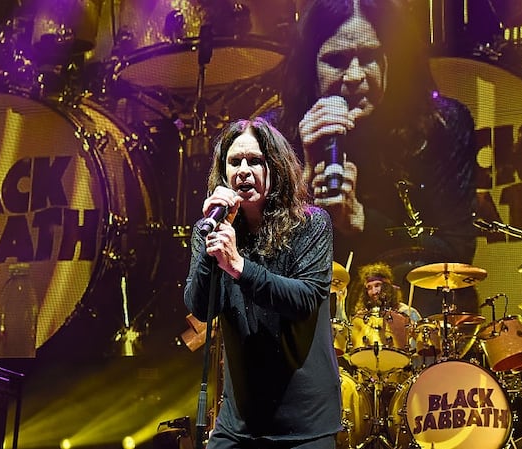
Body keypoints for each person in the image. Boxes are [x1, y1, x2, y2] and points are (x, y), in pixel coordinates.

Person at [275, 0, 480, 316]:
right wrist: (302, 189)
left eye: (369, 57)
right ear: (310, 70)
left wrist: (361, 220)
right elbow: (253, 263)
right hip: (313, 321)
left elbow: (457, 251)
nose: (355, 76)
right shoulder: (277, 135)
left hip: (415, 319)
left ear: (391, 61)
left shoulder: (442, 126)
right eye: (336, 60)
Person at [184, 117, 341, 449]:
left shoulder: (311, 224)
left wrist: (239, 266)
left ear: (277, 168)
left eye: (255, 161)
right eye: (234, 161)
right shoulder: (214, 231)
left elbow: (305, 300)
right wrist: (211, 246)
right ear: (223, 173)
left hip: (303, 424)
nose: (243, 170)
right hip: (240, 423)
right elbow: (199, 306)